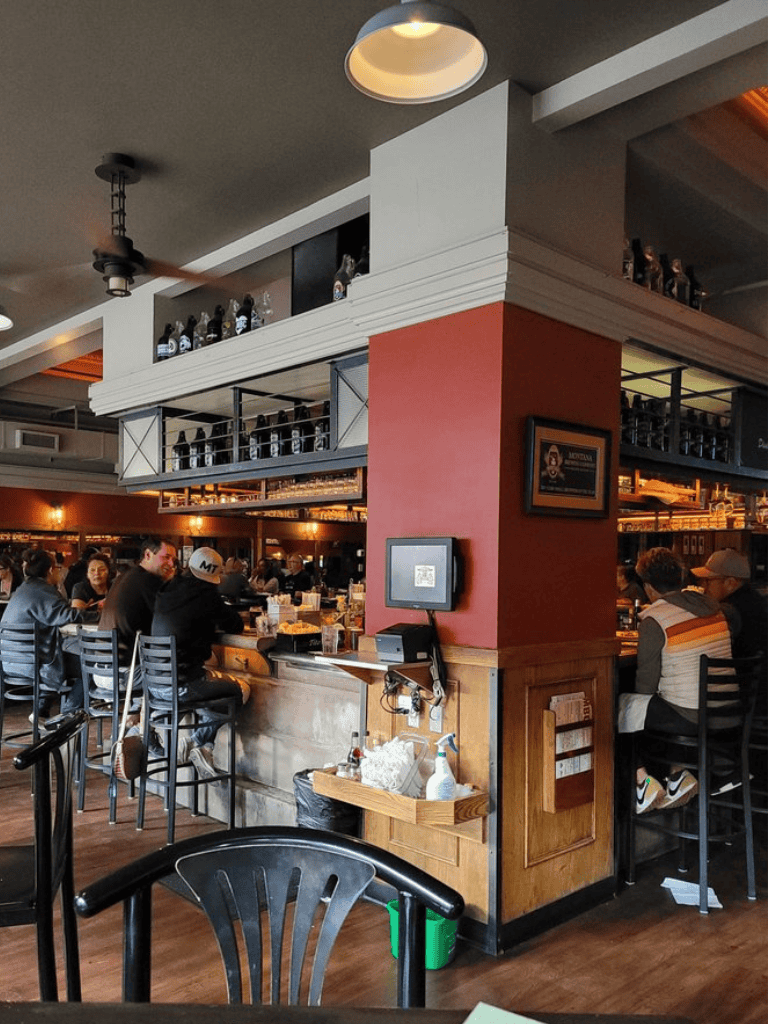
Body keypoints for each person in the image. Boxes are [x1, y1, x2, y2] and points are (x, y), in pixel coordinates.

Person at [622, 547, 733, 814]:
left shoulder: (655, 619)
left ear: (648, 587)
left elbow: (645, 686)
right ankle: (677, 774)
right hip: (729, 713)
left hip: (693, 718)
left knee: (626, 704)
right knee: (661, 704)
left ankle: (643, 782)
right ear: (681, 578)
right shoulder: (714, 608)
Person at [150, 546, 250, 778]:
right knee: (240, 690)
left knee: (209, 684)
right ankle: (197, 742)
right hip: (183, 687)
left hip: (154, 686)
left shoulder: (167, 588)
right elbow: (235, 625)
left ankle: (202, 747)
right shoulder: (206, 595)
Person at [1, 547, 83, 716]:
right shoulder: (43, 590)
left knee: (60, 657)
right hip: (33, 664)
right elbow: (67, 615)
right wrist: (98, 615)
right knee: (89, 665)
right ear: (51, 570)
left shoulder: (23, 589)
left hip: (10, 662)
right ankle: (68, 716)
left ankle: (41, 712)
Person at [98, 536, 177, 669]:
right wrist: (170, 583)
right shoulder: (149, 580)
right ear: (148, 555)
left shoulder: (123, 577)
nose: (171, 564)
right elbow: (173, 618)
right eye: (166, 557)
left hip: (100, 667)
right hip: (126, 671)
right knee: (185, 675)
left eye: (173, 560)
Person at [691, 548, 767, 661]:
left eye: (708, 581)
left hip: (734, 670)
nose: (704, 587)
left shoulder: (727, 611)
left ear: (730, 583)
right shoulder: (756, 599)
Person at [70, 553, 112, 623]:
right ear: (87, 574)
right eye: (92, 570)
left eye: (101, 570)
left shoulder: (114, 588)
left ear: (109, 572)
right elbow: (77, 615)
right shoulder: (80, 588)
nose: (96, 573)